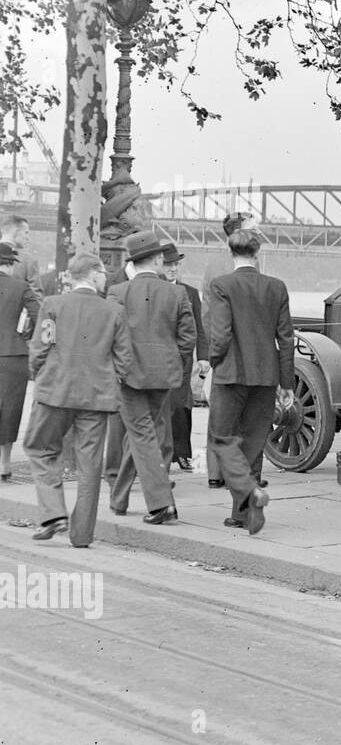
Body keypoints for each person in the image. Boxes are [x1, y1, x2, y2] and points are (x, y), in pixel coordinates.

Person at [24, 254, 131, 546]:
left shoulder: (52, 305)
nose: (105, 278)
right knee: (90, 465)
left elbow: (40, 348)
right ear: (94, 274)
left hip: (55, 392)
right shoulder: (114, 311)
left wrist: (39, 375)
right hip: (96, 397)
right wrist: (111, 380)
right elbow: (125, 360)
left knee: (40, 448)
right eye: (103, 273)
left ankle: (53, 513)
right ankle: (82, 535)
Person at [206, 230, 293, 535]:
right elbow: (286, 338)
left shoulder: (221, 285)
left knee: (222, 439)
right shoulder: (276, 287)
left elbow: (220, 335)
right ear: (257, 254)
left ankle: (248, 493)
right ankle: (243, 515)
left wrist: (213, 364)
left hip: (230, 374)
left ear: (230, 252)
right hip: (266, 376)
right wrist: (286, 383)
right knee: (254, 444)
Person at [108, 230, 196, 524]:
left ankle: (161, 505)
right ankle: (119, 498)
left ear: (133, 262)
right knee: (146, 434)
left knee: (141, 435)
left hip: (129, 376)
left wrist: (119, 367)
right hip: (164, 376)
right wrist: (171, 361)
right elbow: (188, 338)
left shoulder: (117, 292)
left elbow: (110, 336)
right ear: (158, 260)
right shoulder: (177, 293)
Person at [203, 211, 265, 490]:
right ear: (239, 233)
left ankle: (217, 473)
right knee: (246, 417)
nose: (259, 232)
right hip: (240, 349)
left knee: (221, 416)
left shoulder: (215, 263)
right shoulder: (242, 265)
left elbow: (208, 314)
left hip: (224, 350)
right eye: (254, 228)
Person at [162, 244, 209, 471]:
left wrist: (203, 357)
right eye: (168, 264)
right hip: (159, 358)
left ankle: (182, 454)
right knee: (162, 407)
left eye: (176, 264)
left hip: (183, 359)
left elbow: (199, 327)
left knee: (182, 406)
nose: (173, 268)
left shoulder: (190, 293)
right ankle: (161, 455)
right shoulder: (154, 290)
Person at [0, 241, 41, 479]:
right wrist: (28, 336)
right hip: (13, 356)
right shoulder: (21, 287)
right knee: (10, 409)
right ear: (10, 264)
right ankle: (4, 465)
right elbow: (40, 317)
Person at [0, 214, 43, 302]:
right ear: (16, 232)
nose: (28, 238)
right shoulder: (27, 260)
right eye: (26, 232)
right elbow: (36, 299)